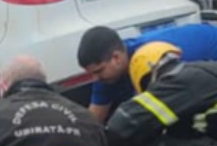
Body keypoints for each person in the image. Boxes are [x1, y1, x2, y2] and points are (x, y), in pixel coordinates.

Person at [76, 24, 217, 123]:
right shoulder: (105, 72)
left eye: (98, 71)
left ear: (116, 58)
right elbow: (94, 119)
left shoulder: (153, 61)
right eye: (91, 74)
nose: (96, 78)